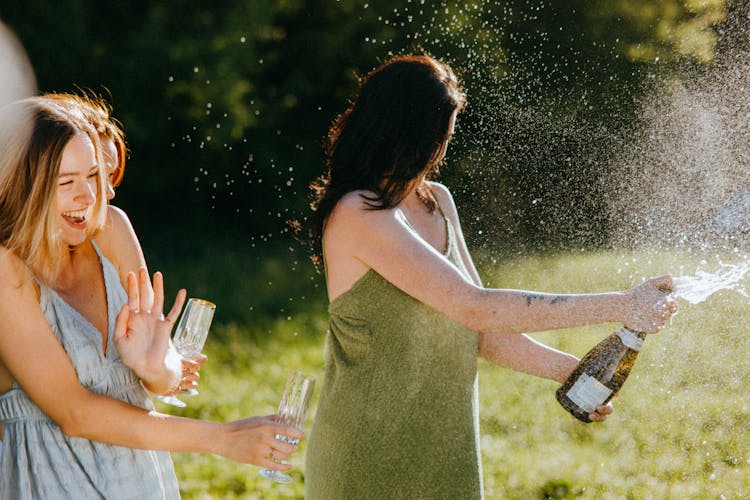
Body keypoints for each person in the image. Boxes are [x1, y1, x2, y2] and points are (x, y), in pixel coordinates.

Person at [303, 54, 678, 499]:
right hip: (366, 454)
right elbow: (475, 307)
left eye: (444, 138)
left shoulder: (436, 202)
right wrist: (622, 304)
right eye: (434, 138)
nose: (440, 151)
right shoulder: (356, 213)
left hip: (447, 450)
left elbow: (481, 332)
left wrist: (573, 374)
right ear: (397, 131)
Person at [0, 97, 303, 499]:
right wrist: (223, 439)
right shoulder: (7, 271)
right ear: (26, 186)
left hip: (140, 478)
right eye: (65, 181)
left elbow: (164, 378)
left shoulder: (112, 230)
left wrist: (158, 368)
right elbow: (73, 413)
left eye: (92, 175)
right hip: (52, 481)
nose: (88, 196)